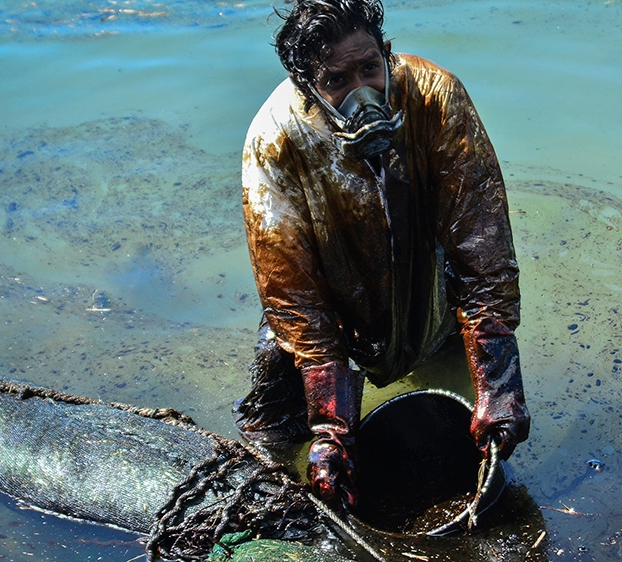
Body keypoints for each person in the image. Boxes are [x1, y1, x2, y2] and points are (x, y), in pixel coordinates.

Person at [233, 0, 529, 511]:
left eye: (370, 68)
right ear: (307, 86)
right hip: (332, 314)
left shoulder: (436, 97)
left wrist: (500, 382)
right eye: (337, 79)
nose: (362, 92)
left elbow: (481, 242)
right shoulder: (274, 140)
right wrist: (331, 429)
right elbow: (291, 290)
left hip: (431, 294)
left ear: (387, 55)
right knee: (274, 442)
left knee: (467, 403)